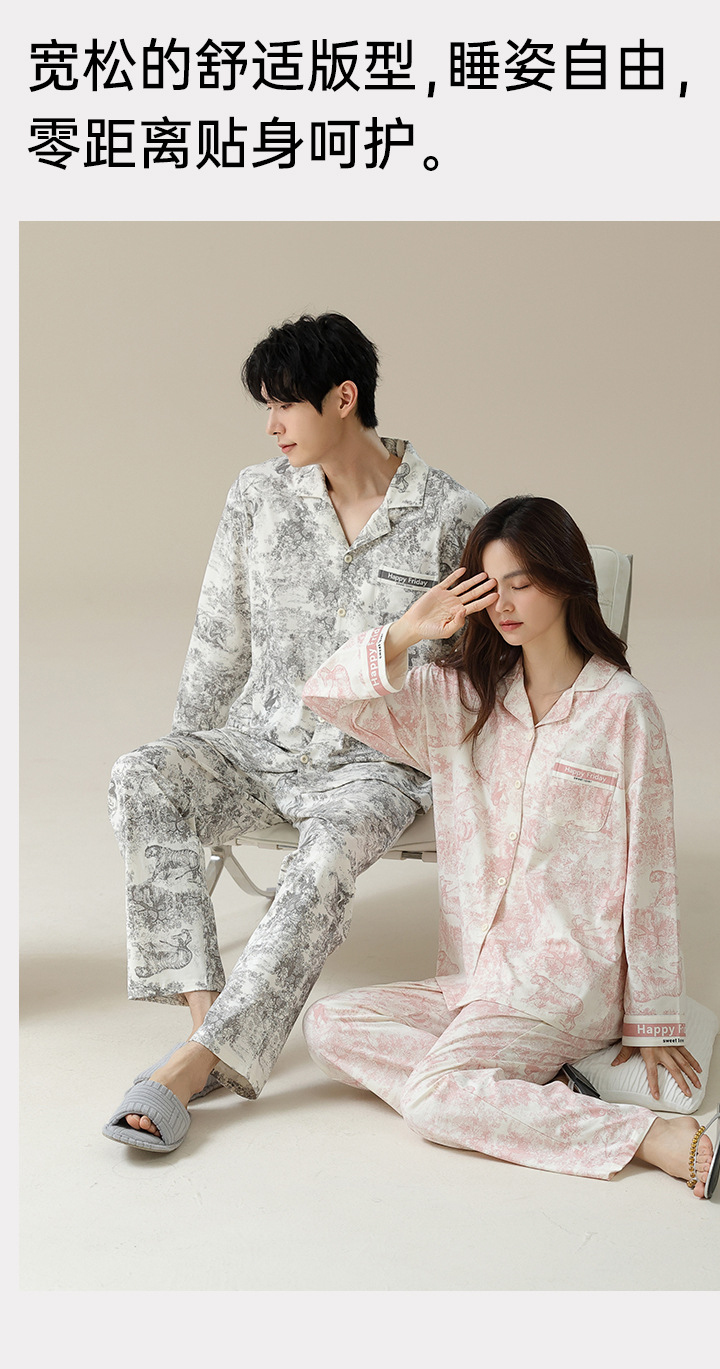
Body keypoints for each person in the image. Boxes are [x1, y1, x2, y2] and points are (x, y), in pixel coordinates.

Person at [103, 312, 487, 1152]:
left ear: (343, 398)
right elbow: (219, 638)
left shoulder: (448, 515)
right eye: (267, 407)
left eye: (284, 404)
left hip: (375, 766)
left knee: (326, 852)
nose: (272, 424)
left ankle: (192, 1066)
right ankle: (208, 1027)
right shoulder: (257, 496)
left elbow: (479, 668)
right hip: (260, 743)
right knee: (141, 773)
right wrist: (186, 759)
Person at [301, 496, 720, 1197]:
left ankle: (652, 1136)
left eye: (521, 583)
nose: (503, 604)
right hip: (474, 977)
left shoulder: (623, 708)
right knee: (329, 1025)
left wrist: (652, 1020)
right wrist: (408, 631)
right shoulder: (461, 701)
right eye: (490, 586)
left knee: (432, 1101)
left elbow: (650, 871)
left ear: (564, 580)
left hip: (563, 983)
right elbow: (327, 696)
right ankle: (515, 1091)